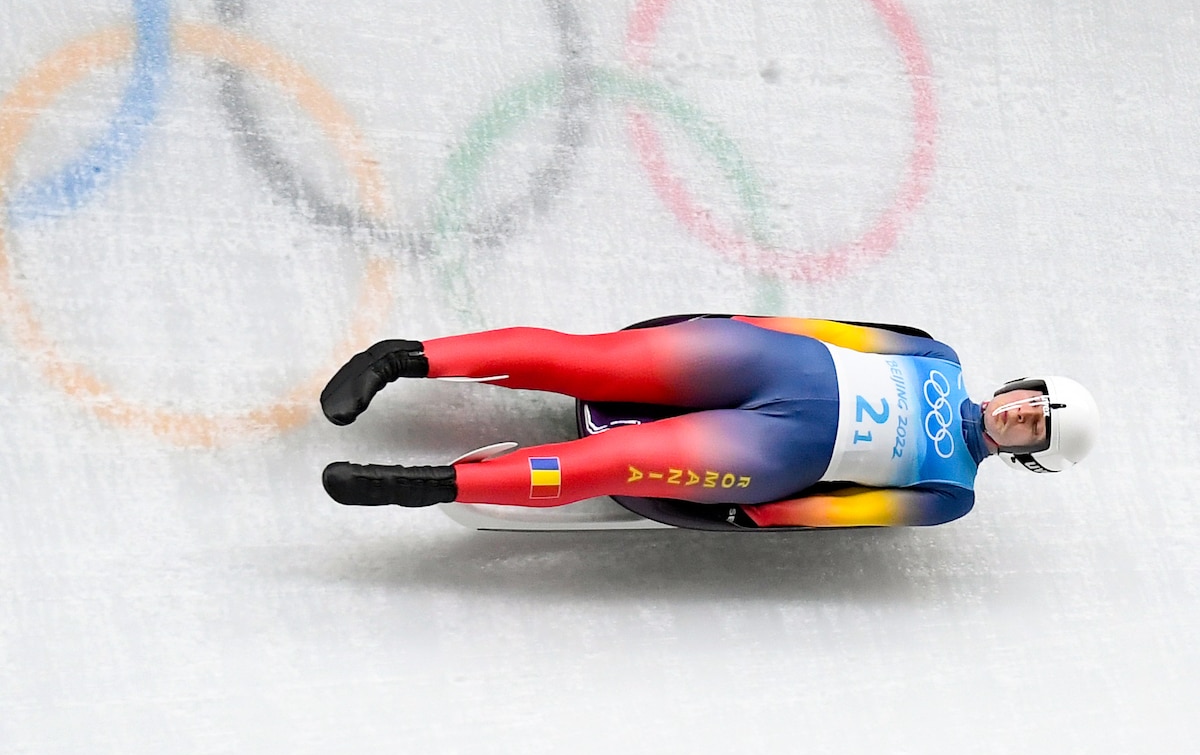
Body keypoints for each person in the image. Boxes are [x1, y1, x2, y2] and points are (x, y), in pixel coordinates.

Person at [319, 316, 1098, 527]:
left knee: (612, 463)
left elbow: (847, 511)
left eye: (1034, 428)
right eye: (1032, 402)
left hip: (769, 451)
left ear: (1028, 456)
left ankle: (427, 485)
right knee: (587, 358)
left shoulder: (952, 489)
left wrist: (756, 513)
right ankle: (401, 358)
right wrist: (731, 324)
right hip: (761, 361)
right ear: (1019, 385)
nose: (1022, 415)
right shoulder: (937, 353)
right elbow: (828, 330)